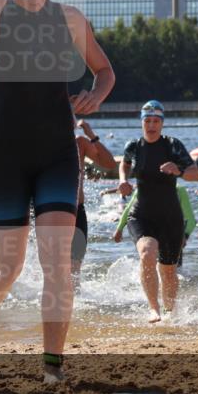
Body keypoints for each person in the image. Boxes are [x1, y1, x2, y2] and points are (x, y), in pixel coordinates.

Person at [0, 0, 116, 379]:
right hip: (4, 156)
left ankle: (52, 368)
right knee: (7, 269)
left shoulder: (69, 20)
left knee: (58, 264)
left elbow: (105, 71)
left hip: (57, 155)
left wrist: (94, 97)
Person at [117, 101, 198, 322]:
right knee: (147, 252)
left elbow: (195, 174)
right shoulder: (133, 146)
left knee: (168, 270)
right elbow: (124, 163)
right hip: (141, 214)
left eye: (156, 121)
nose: (151, 125)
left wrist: (179, 170)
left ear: (162, 123)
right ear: (141, 122)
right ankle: (154, 309)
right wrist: (123, 180)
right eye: (147, 121)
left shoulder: (173, 145)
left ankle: (171, 313)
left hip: (170, 217)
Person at [72, 119, 117, 280]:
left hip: (77, 211)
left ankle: (76, 305)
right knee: (53, 267)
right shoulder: (42, 142)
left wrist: (91, 135)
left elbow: (109, 163)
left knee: (74, 272)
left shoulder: (80, 143)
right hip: (47, 212)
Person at [113, 185, 196, 267]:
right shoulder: (143, 187)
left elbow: (190, 219)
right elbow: (129, 209)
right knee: (148, 256)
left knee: (173, 272)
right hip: (149, 229)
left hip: (172, 231)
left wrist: (185, 235)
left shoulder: (179, 190)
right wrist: (119, 229)